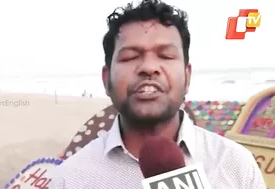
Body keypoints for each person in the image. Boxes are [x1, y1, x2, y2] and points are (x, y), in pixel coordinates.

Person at [50, 0, 266, 188]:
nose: (149, 67)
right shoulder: (70, 179)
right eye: (130, 57)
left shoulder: (236, 164)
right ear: (106, 79)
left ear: (187, 76)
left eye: (166, 55)